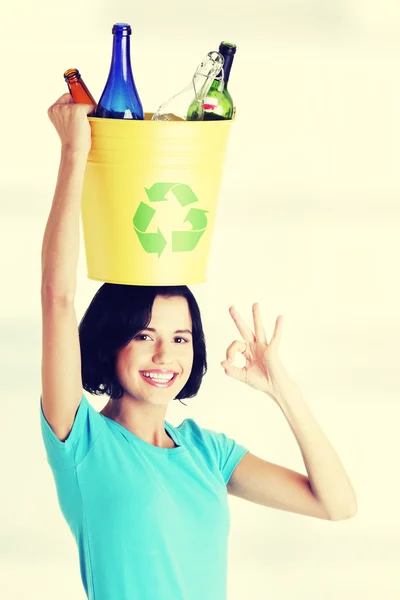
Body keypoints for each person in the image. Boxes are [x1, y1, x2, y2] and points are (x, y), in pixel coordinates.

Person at [40, 93, 358, 600]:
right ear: (111, 344)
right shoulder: (82, 444)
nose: (165, 355)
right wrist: (75, 152)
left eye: (180, 337)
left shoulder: (209, 453)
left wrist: (282, 388)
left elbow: (337, 504)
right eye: (144, 335)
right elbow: (57, 297)